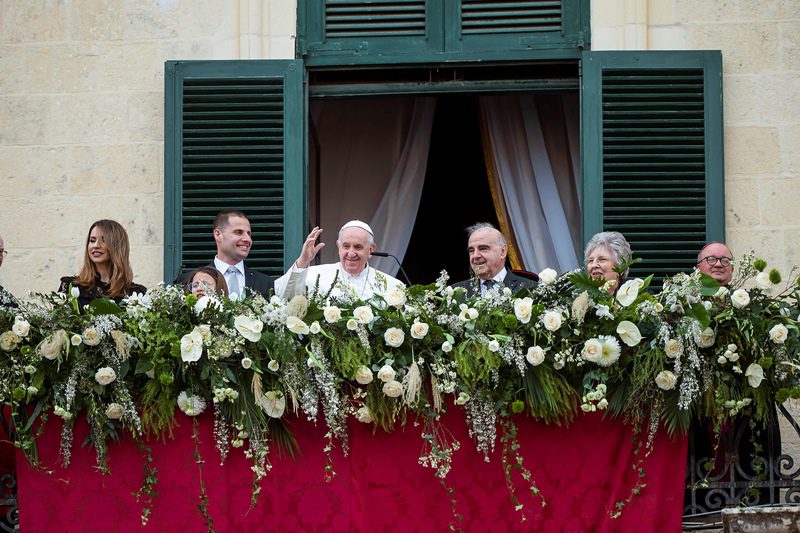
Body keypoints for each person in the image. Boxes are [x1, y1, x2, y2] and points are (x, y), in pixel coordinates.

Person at [275, 220, 404, 302]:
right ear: (338, 246)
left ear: (371, 249)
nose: (351, 253)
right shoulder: (313, 275)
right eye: (346, 246)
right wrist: (303, 261)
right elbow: (283, 297)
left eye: (358, 247)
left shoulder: (392, 285)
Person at [58, 219, 146, 309]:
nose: (96, 245)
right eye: (92, 240)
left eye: (103, 240)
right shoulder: (70, 286)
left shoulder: (137, 295)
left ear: (117, 246)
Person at [451, 223, 536, 297]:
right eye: (471, 251)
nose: (475, 255)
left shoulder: (531, 288)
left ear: (503, 251)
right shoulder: (455, 293)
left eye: (483, 248)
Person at [209, 210, 274, 299]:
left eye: (249, 234)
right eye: (239, 232)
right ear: (218, 235)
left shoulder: (267, 284)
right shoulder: (191, 281)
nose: (247, 239)